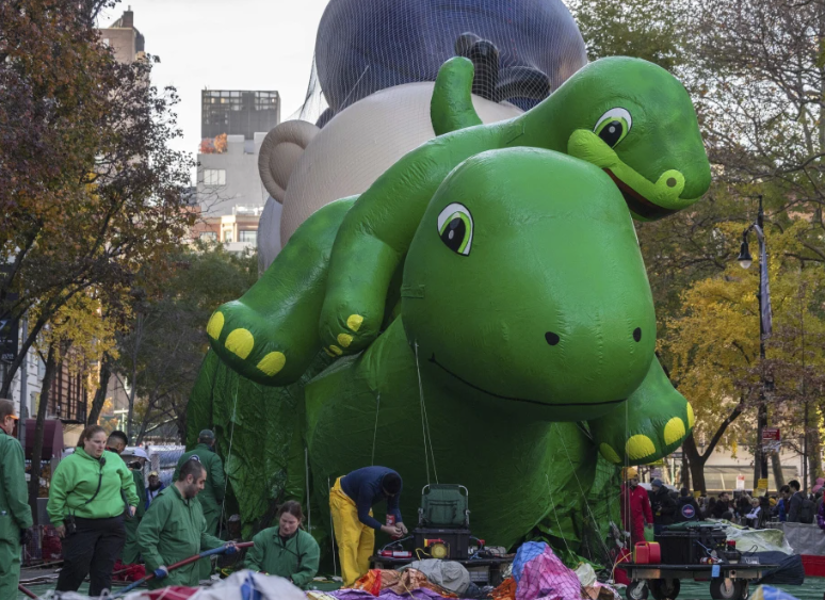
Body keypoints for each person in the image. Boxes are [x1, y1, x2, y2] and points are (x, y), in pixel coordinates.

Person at [48, 424, 139, 596]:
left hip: (112, 525)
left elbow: (128, 481)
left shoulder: (114, 459)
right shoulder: (70, 464)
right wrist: (57, 520)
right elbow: (57, 494)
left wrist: (133, 502)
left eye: (104, 442)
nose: (101, 446)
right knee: (76, 568)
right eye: (97, 442)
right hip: (82, 525)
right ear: (85, 441)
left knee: (103, 571)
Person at [138, 459, 237, 589]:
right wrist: (157, 564)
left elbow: (201, 536)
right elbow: (145, 535)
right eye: (201, 482)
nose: (203, 487)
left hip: (190, 581)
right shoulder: (164, 501)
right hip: (168, 581)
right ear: (189, 478)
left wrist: (222, 545)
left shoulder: (194, 503)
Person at [330, 466, 406, 586]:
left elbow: (393, 506)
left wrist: (399, 522)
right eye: (387, 495)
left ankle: (363, 581)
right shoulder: (369, 486)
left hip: (361, 501)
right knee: (349, 541)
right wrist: (386, 529)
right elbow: (363, 516)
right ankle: (351, 584)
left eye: (393, 495)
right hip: (344, 497)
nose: (390, 497)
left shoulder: (397, 482)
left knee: (368, 540)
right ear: (382, 488)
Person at [0, 399, 33, 599]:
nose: (14, 424)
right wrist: (25, 522)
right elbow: (15, 489)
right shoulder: (8, 444)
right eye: (14, 419)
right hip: (4, 525)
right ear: (6, 420)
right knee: (6, 577)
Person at [245, 501, 320, 588]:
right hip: (263, 589)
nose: (286, 526)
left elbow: (309, 571)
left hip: (294, 590)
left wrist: (292, 579)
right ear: (279, 517)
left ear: (299, 521)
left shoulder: (309, 543)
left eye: (291, 522)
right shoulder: (263, 537)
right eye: (284, 521)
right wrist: (260, 573)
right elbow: (250, 562)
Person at [174, 429, 225, 535]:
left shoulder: (184, 457)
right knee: (206, 536)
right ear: (213, 442)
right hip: (208, 506)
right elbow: (218, 483)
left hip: (185, 502)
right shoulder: (213, 458)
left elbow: (175, 480)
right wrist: (220, 498)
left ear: (198, 440)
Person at [122, 448, 149, 564]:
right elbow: (138, 496)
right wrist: (142, 515)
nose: (144, 464)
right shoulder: (135, 474)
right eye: (144, 461)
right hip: (133, 513)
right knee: (132, 540)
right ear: (140, 459)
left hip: (124, 510)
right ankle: (128, 566)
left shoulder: (126, 470)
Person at [619, 468, 652, 547]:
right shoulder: (621, 489)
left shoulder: (642, 491)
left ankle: (641, 553)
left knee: (640, 540)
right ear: (629, 480)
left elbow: (646, 507)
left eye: (638, 480)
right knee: (625, 541)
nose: (637, 482)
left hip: (637, 521)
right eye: (634, 480)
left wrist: (649, 520)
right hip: (624, 520)